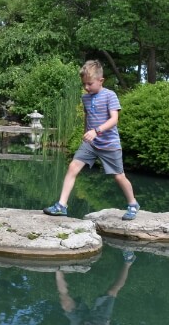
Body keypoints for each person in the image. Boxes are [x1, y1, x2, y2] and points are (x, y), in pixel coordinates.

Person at [43, 60, 140, 220]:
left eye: (90, 84)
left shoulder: (110, 95)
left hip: (109, 145)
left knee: (119, 176)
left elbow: (114, 119)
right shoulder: (86, 98)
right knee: (73, 167)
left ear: (101, 80)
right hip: (90, 144)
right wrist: (86, 134)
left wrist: (96, 131)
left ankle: (132, 204)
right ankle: (61, 205)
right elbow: (88, 117)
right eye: (84, 84)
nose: (86, 87)